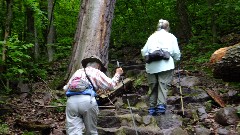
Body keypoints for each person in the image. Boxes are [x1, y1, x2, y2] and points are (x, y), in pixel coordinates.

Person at [63, 55, 123, 135]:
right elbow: (111, 85)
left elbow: (65, 89)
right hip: (88, 101)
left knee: (73, 132)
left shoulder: (78, 72)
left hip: (71, 102)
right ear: (98, 65)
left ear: (87, 64)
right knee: (91, 132)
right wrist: (117, 73)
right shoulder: (96, 72)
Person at [141, 19, 181, 115]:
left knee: (153, 86)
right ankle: (160, 107)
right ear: (167, 27)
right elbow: (176, 52)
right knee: (163, 85)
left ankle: (152, 108)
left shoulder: (151, 37)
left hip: (151, 66)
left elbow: (144, 51)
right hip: (166, 65)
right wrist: (177, 59)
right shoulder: (171, 36)